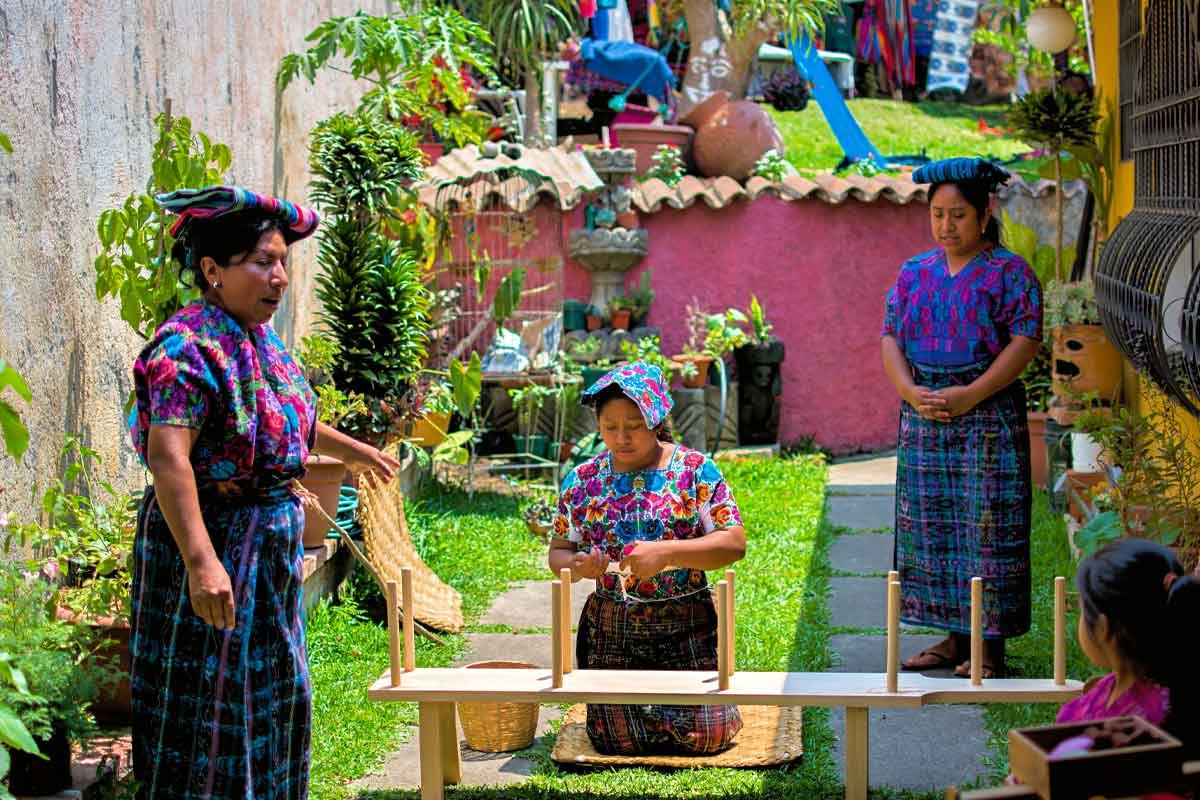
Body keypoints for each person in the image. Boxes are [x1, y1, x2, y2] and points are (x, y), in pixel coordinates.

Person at [128, 186, 400, 799]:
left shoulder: (257, 340)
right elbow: (169, 457)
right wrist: (203, 565)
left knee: (272, 698)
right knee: (213, 709)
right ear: (212, 271)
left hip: (266, 559)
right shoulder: (188, 348)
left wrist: (354, 451)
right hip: (215, 551)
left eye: (282, 262)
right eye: (261, 262)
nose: (278, 277)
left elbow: (279, 419)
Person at [881, 158, 1043, 679]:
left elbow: (1026, 339)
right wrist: (909, 391)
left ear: (984, 213)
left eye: (958, 215)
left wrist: (973, 393)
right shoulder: (914, 273)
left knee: (986, 526)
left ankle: (990, 648)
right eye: (937, 215)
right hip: (925, 418)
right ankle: (953, 640)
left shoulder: (1010, 273)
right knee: (931, 527)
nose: (946, 226)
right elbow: (889, 335)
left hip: (988, 417)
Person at [549, 361, 746, 755]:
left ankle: (686, 707)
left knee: (709, 734)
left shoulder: (695, 471)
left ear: (656, 420)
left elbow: (734, 542)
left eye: (634, 425)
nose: (621, 437)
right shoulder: (583, 481)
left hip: (685, 624)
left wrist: (669, 552)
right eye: (609, 427)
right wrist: (578, 566)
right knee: (612, 738)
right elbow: (558, 552)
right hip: (613, 628)